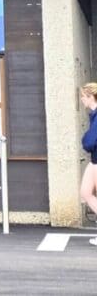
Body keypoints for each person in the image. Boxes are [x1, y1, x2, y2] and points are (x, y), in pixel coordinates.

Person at [80, 82, 97, 246]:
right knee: (85, 192)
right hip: (94, 161)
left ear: (91, 96)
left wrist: (84, 139)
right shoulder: (93, 114)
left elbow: (90, 141)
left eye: (83, 96)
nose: (81, 99)